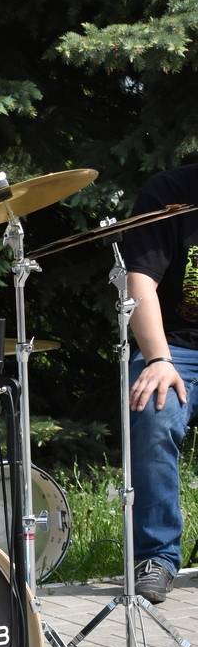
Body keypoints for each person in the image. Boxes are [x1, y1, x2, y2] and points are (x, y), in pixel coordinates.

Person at [125, 161, 198, 603]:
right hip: (174, 349)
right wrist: (158, 359)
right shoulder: (168, 192)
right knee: (155, 409)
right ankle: (157, 557)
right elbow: (140, 281)